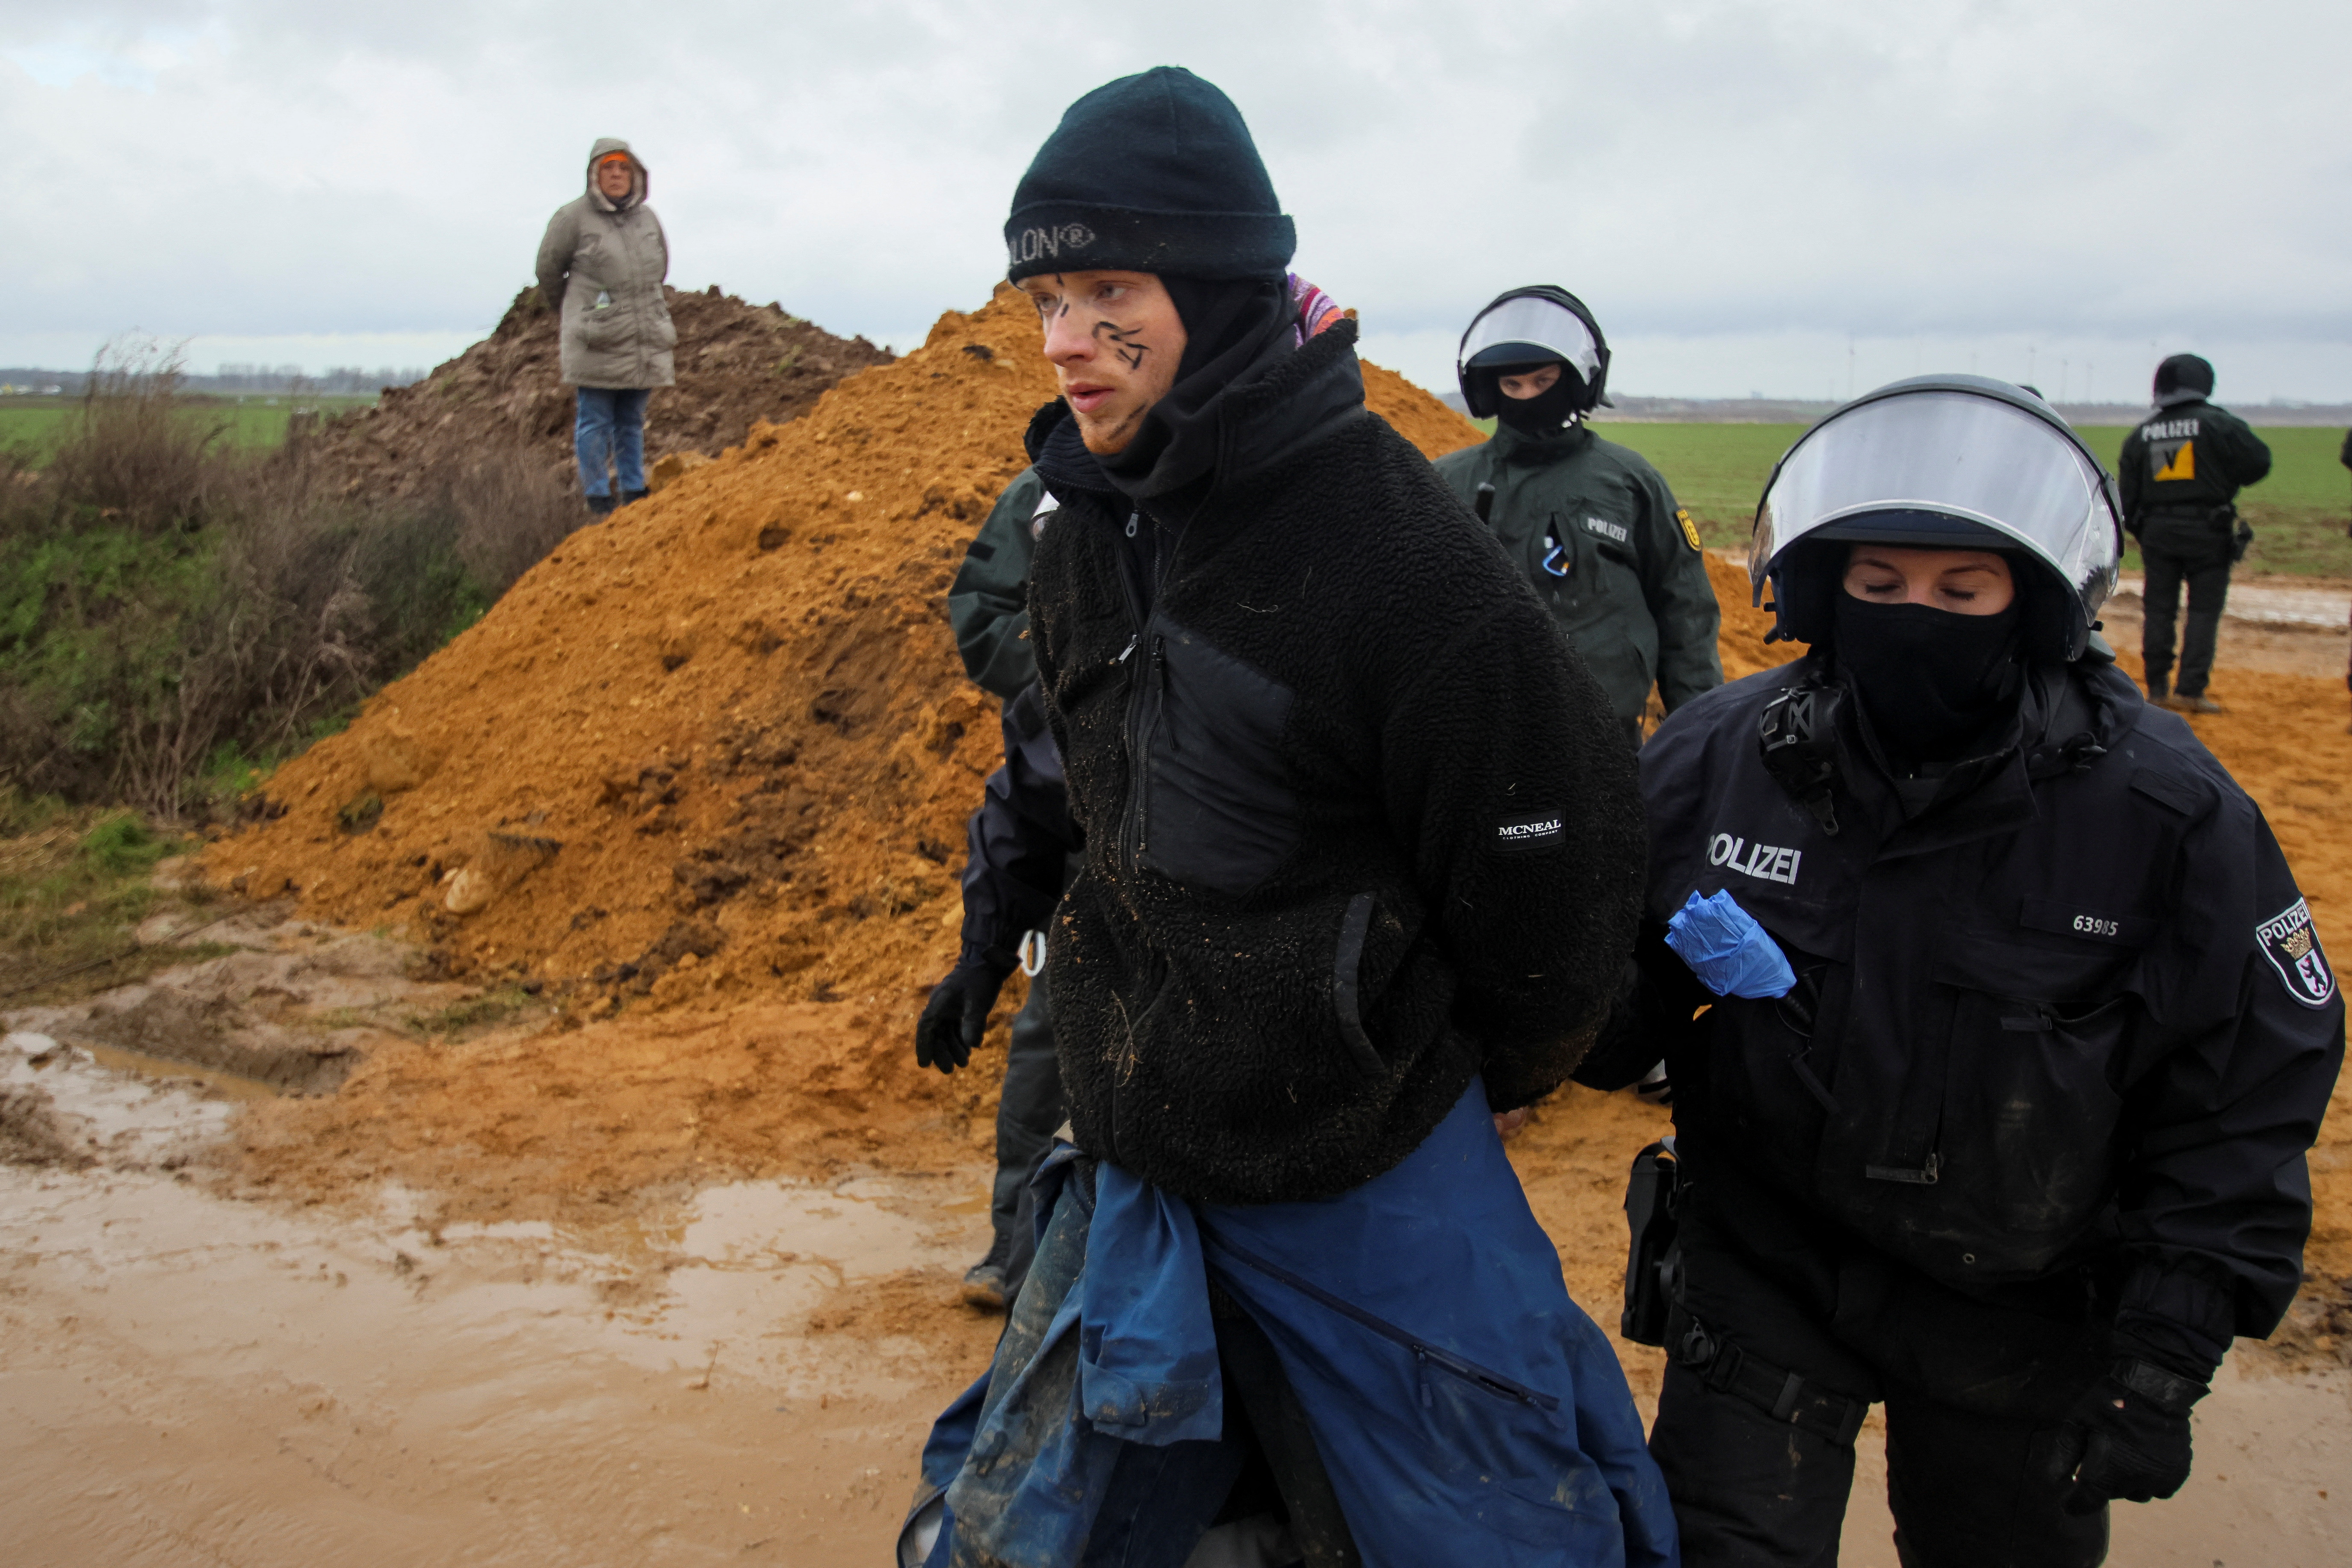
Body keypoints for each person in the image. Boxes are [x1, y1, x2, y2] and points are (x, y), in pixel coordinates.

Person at [900, 68, 1674, 1568]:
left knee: (1502, 1524)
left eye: (1109, 288)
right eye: (1048, 296)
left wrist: (1480, 1065)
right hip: (1144, 1143)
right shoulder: (1086, 532)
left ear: (1220, 284)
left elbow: (1560, 857)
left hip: (1362, 1158)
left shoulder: (1393, 553)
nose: (1067, 340)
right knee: (1024, 1529)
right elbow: (1068, 770)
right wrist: (994, 929)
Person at [1577, 374, 2341, 1566]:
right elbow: (1608, 994)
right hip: (1767, 1261)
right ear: (1827, 590)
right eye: (1878, 585)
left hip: (2023, 1300)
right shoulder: (1715, 759)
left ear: (2031, 603)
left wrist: (2166, 1344)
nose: (1912, 612)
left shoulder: (2164, 811)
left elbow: (2242, 1078)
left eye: (1959, 588)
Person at [1434, 288, 1722, 747]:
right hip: (1477, 734)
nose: (1527, 395)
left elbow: (1684, 609)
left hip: (1604, 734)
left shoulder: (1628, 481)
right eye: (1513, 385)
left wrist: (1702, 736)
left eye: (1542, 382)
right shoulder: (1446, 483)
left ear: (1574, 380)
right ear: (1491, 388)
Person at [2117, 354, 2271, 713]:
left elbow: (2127, 498)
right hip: (2209, 530)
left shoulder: (2141, 434)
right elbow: (2259, 463)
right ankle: (2191, 689)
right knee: (2203, 612)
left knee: (2159, 610)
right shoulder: (2220, 425)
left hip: (2157, 532)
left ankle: (2156, 688)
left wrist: (2145, 529)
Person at [535, 138, 676, 517]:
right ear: (594, 175)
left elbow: (660, 269)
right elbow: (548, 269)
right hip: (596, 338)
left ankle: (633, 489)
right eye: (608, 168)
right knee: (595, 419)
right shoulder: (573, 218)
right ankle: (598, 496)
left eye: (623, 168)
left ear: (636, 175)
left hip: (641, 337)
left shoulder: (648, 220)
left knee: (631, 420)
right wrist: (574, 311)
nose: (616, 175)